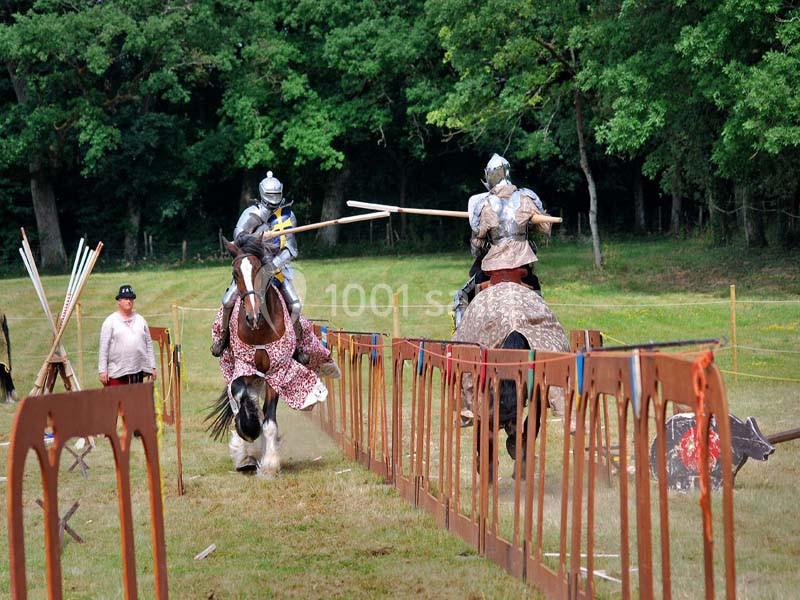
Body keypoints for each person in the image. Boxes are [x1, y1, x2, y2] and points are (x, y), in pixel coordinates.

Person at [452, 154, 553, 330]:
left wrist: (484, 241)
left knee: (461, 296)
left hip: (495, 267)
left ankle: (460, 340)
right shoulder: (527, 198)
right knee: (536, 295)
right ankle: (543, 328)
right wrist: (527, 223)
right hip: (522, 265)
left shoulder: (483, 204)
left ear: (490, 176)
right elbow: (545, 228)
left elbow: (476, 248)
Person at [211, 170, 303, 357]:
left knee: (295, 305)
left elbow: (291, 249)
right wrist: (256, 239)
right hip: (252, 266)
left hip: (276, 267)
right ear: (263, 194)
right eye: (271, 195)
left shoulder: (288, 216)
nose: (274, 198)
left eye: (277, 195)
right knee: (228, 300)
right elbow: (238, 238)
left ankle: (296, 346)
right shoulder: (252, 213)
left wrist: (272, 266)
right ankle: (224, 337)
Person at [98, 285, 157, 386]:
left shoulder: (140, 320)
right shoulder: (110, 322)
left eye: (131, 299)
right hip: (117, 373)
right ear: (119, 301)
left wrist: (152, 366)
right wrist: (102, 370)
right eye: (125, 299)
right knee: (117, 401)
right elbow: (104, 348)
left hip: (137, 370)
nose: (128, 301)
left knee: (136, 400)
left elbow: (149, 344)